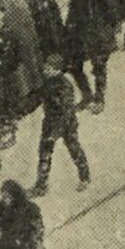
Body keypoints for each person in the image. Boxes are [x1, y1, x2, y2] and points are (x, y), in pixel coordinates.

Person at [34, 54, 91, 193]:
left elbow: (67, 111)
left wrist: (56, 132)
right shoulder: (46, 82)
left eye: (48, 67)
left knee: (74, 148)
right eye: (45, 67)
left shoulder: (64, 85)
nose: (45, 70)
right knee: (44, 152)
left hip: (66, 122)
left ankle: (84, 177)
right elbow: (37, 98)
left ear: (56, 70)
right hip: (49, 121)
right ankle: (41, 184)